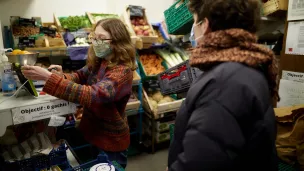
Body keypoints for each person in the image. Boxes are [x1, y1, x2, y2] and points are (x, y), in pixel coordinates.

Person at [168, 0, 279, 170]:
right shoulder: (249, 64)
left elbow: (200, 162)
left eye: (194, 23)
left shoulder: (223, 83)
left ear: (205, 25)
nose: (193, 32)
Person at [22, 18, 136, 168]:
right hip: (92, 133)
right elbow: (79, 76)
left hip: (110, 141)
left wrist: (49, 78)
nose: (96, 42)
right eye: (94, 37)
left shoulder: (122, 72)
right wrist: (60, 76)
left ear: (117, 41)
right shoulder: (100, 61)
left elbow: (93, 95)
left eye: (101, 38)